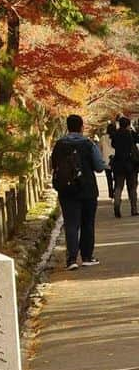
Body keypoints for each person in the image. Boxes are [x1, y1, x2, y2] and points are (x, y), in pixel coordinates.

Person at [51, 113, 106, 269]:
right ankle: (87, 257)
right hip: (87, 189)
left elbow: (54, 165)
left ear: (67, 127)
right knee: (87, 223)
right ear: (82, 127)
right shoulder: (89, 144)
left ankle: (72, 259)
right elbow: (99, 167)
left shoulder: (59, 144)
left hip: (67, 190)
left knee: (71, 224)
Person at [109, 114, 139, 217]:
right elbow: (137, 140)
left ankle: (117, 205)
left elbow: (113, 145)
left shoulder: (115, 134)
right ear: (128, 125)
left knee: (118, 186)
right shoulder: (131, 134)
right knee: (132, 187)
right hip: (131, 163)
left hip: (118, 163)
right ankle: (134, 209)